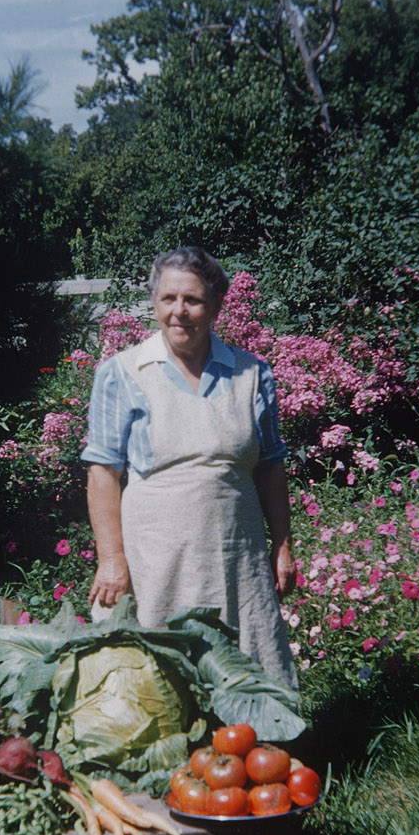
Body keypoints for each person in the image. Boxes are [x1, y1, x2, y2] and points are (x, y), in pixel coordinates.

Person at [80, 246, 298, 687]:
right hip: (156, 559)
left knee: (248, 668)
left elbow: (271, 466)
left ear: (216, 306)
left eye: (193, 300)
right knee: (156, 678)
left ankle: (253, 749)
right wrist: (111, 559)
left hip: (237, 556)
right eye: (167, 299)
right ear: (155, 303)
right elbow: (104, 472)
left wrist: (283, 545)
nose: (179, 312)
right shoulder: (122, 372)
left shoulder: (252, 373)